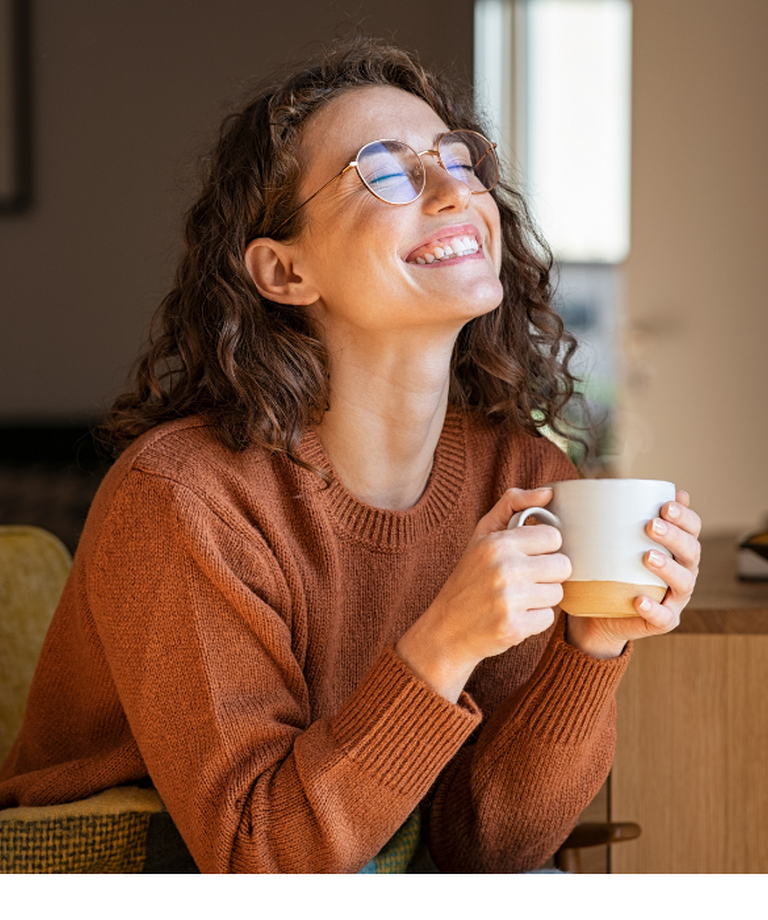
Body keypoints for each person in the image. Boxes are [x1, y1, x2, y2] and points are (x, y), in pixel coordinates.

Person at [0, 37, 701, 873]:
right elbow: (258, 858)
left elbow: (487, 851)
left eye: (459, 158)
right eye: (388, 171)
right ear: (284, 271)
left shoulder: (523, 480)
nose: (453, 192)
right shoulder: (183, 499)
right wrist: (443, 642)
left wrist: (592, 647)